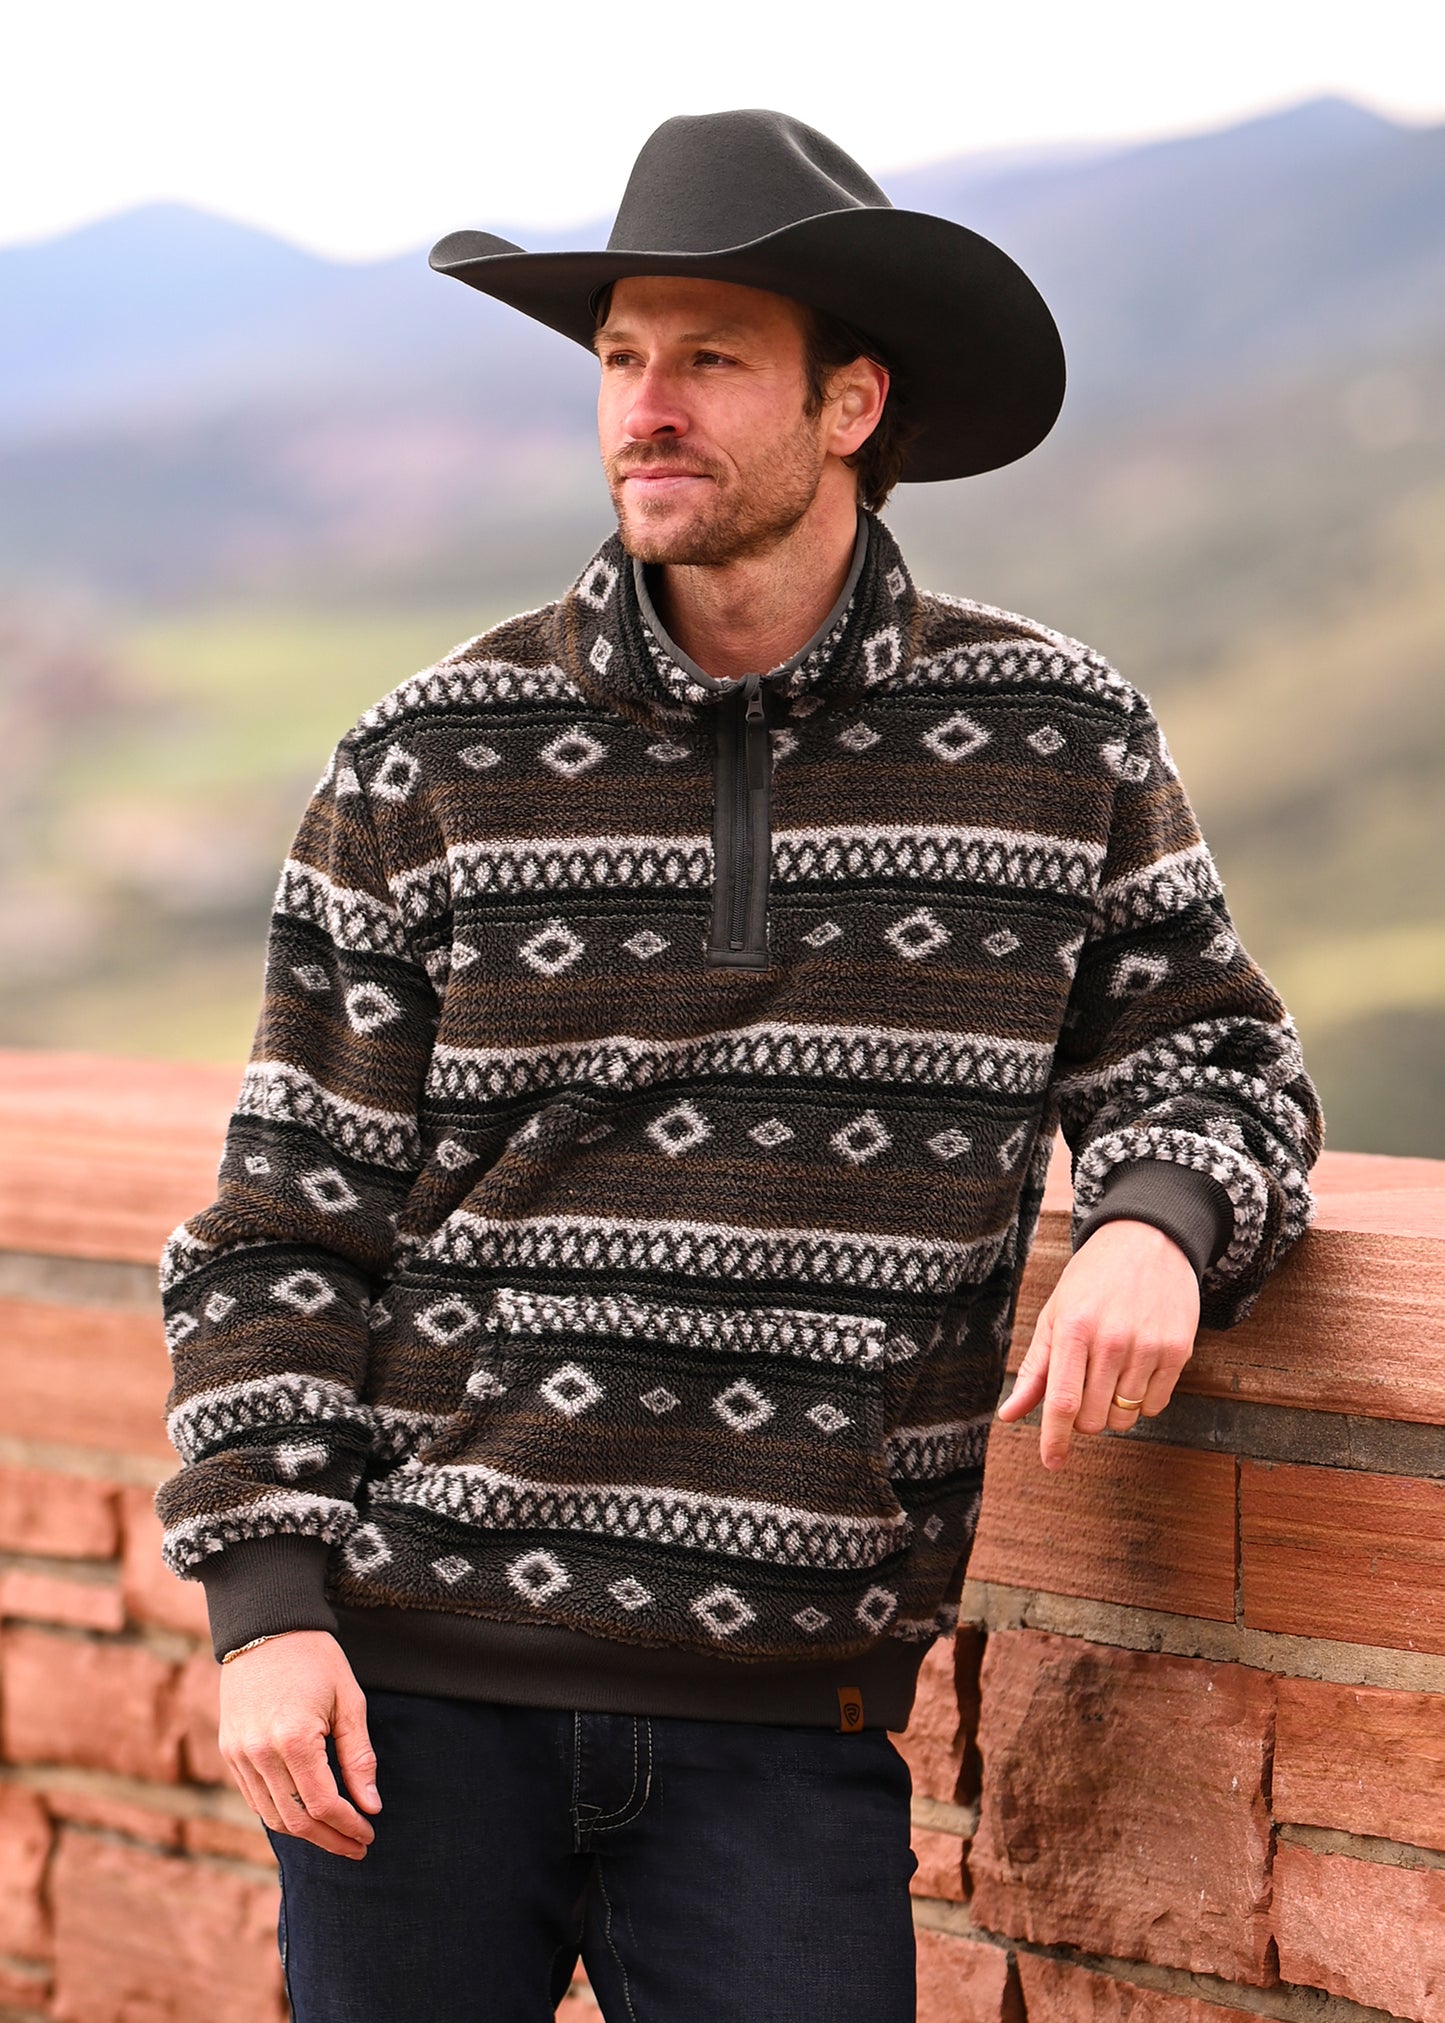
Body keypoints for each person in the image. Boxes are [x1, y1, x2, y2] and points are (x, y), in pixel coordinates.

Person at [156, 109, 1323, 2022]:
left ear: (849, 400)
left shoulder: (1056, 740)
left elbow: (1220, 1064)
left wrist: (1156, 1227)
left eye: (707, 359)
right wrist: (264, 1616)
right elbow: (284, 1217)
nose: (646, 407)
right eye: (621, 358)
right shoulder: (428, 757)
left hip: (792, 1720)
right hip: (411, 1691)